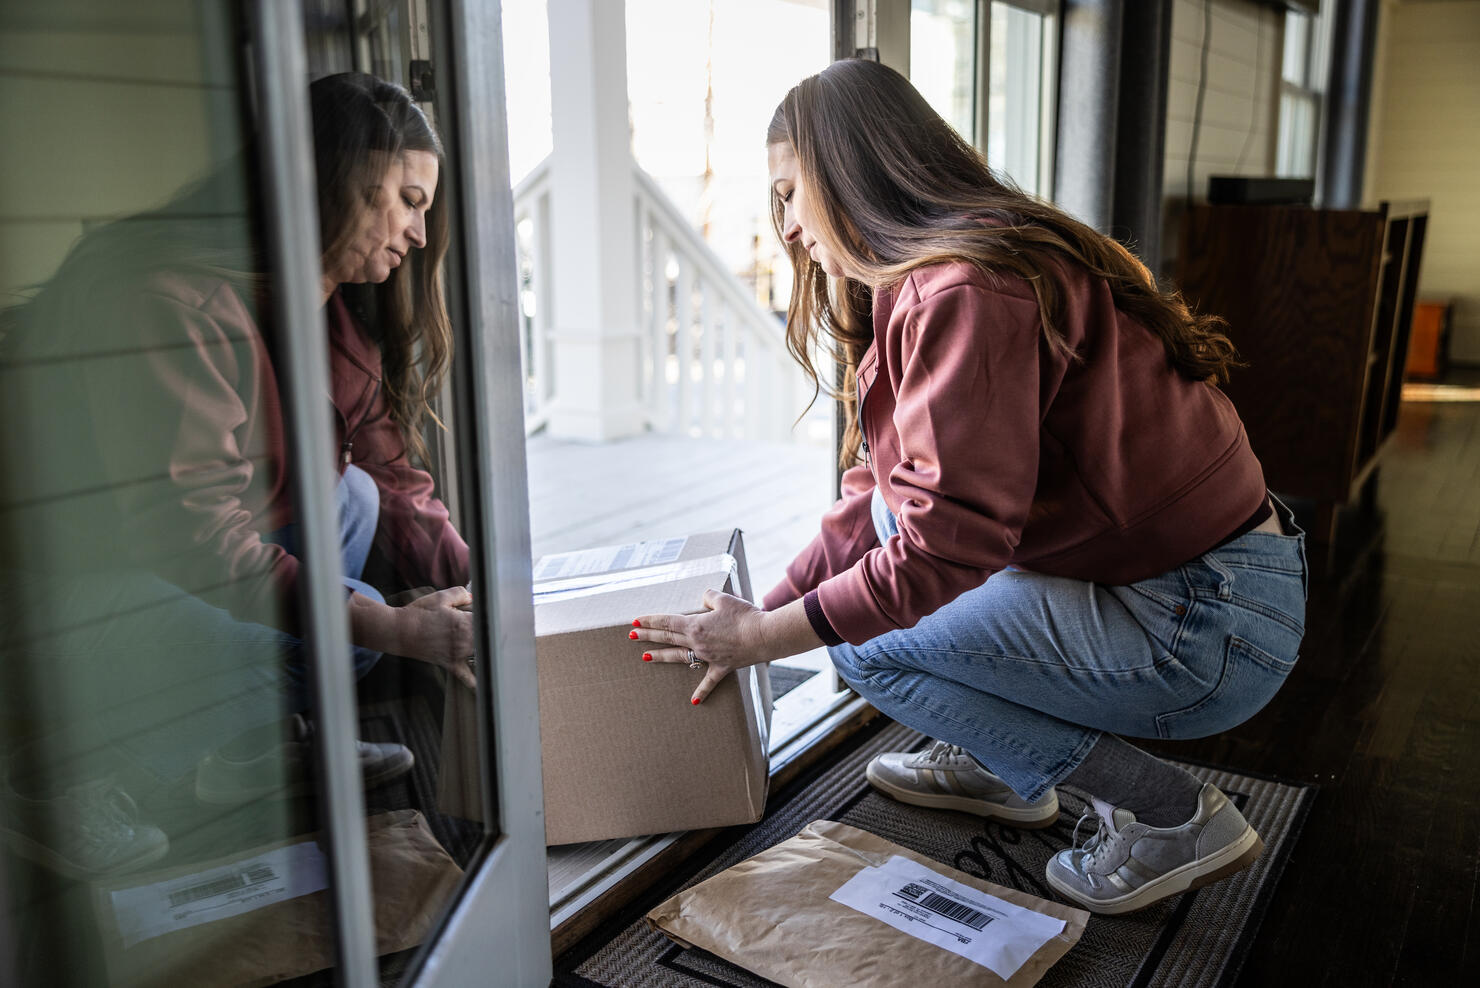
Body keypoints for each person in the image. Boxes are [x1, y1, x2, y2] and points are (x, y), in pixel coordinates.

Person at [631, 59, 1307, 916]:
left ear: (850, 172)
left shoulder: (964, 289)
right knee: (877, 545)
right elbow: (879, 495)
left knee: (860, 645)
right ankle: (1006, 767)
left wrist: (771, 637)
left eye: (789, 194)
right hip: (1214, 588)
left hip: (1205, 631)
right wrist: (754, 620)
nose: (790, 229)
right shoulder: (963, 261)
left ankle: (1174, 817)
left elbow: (947, 543)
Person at [0, 73, 471, 876]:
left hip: (163, 576)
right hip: (68, 612)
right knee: (350, 634)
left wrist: (479, 591)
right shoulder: (166, 304)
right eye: (409, 200)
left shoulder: (324, 307)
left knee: (353, 495)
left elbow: (393, 478)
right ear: (333, 181)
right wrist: (395, 627)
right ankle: (69, 785)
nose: (421, 234)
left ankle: (236, 746)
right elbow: (195, 541)